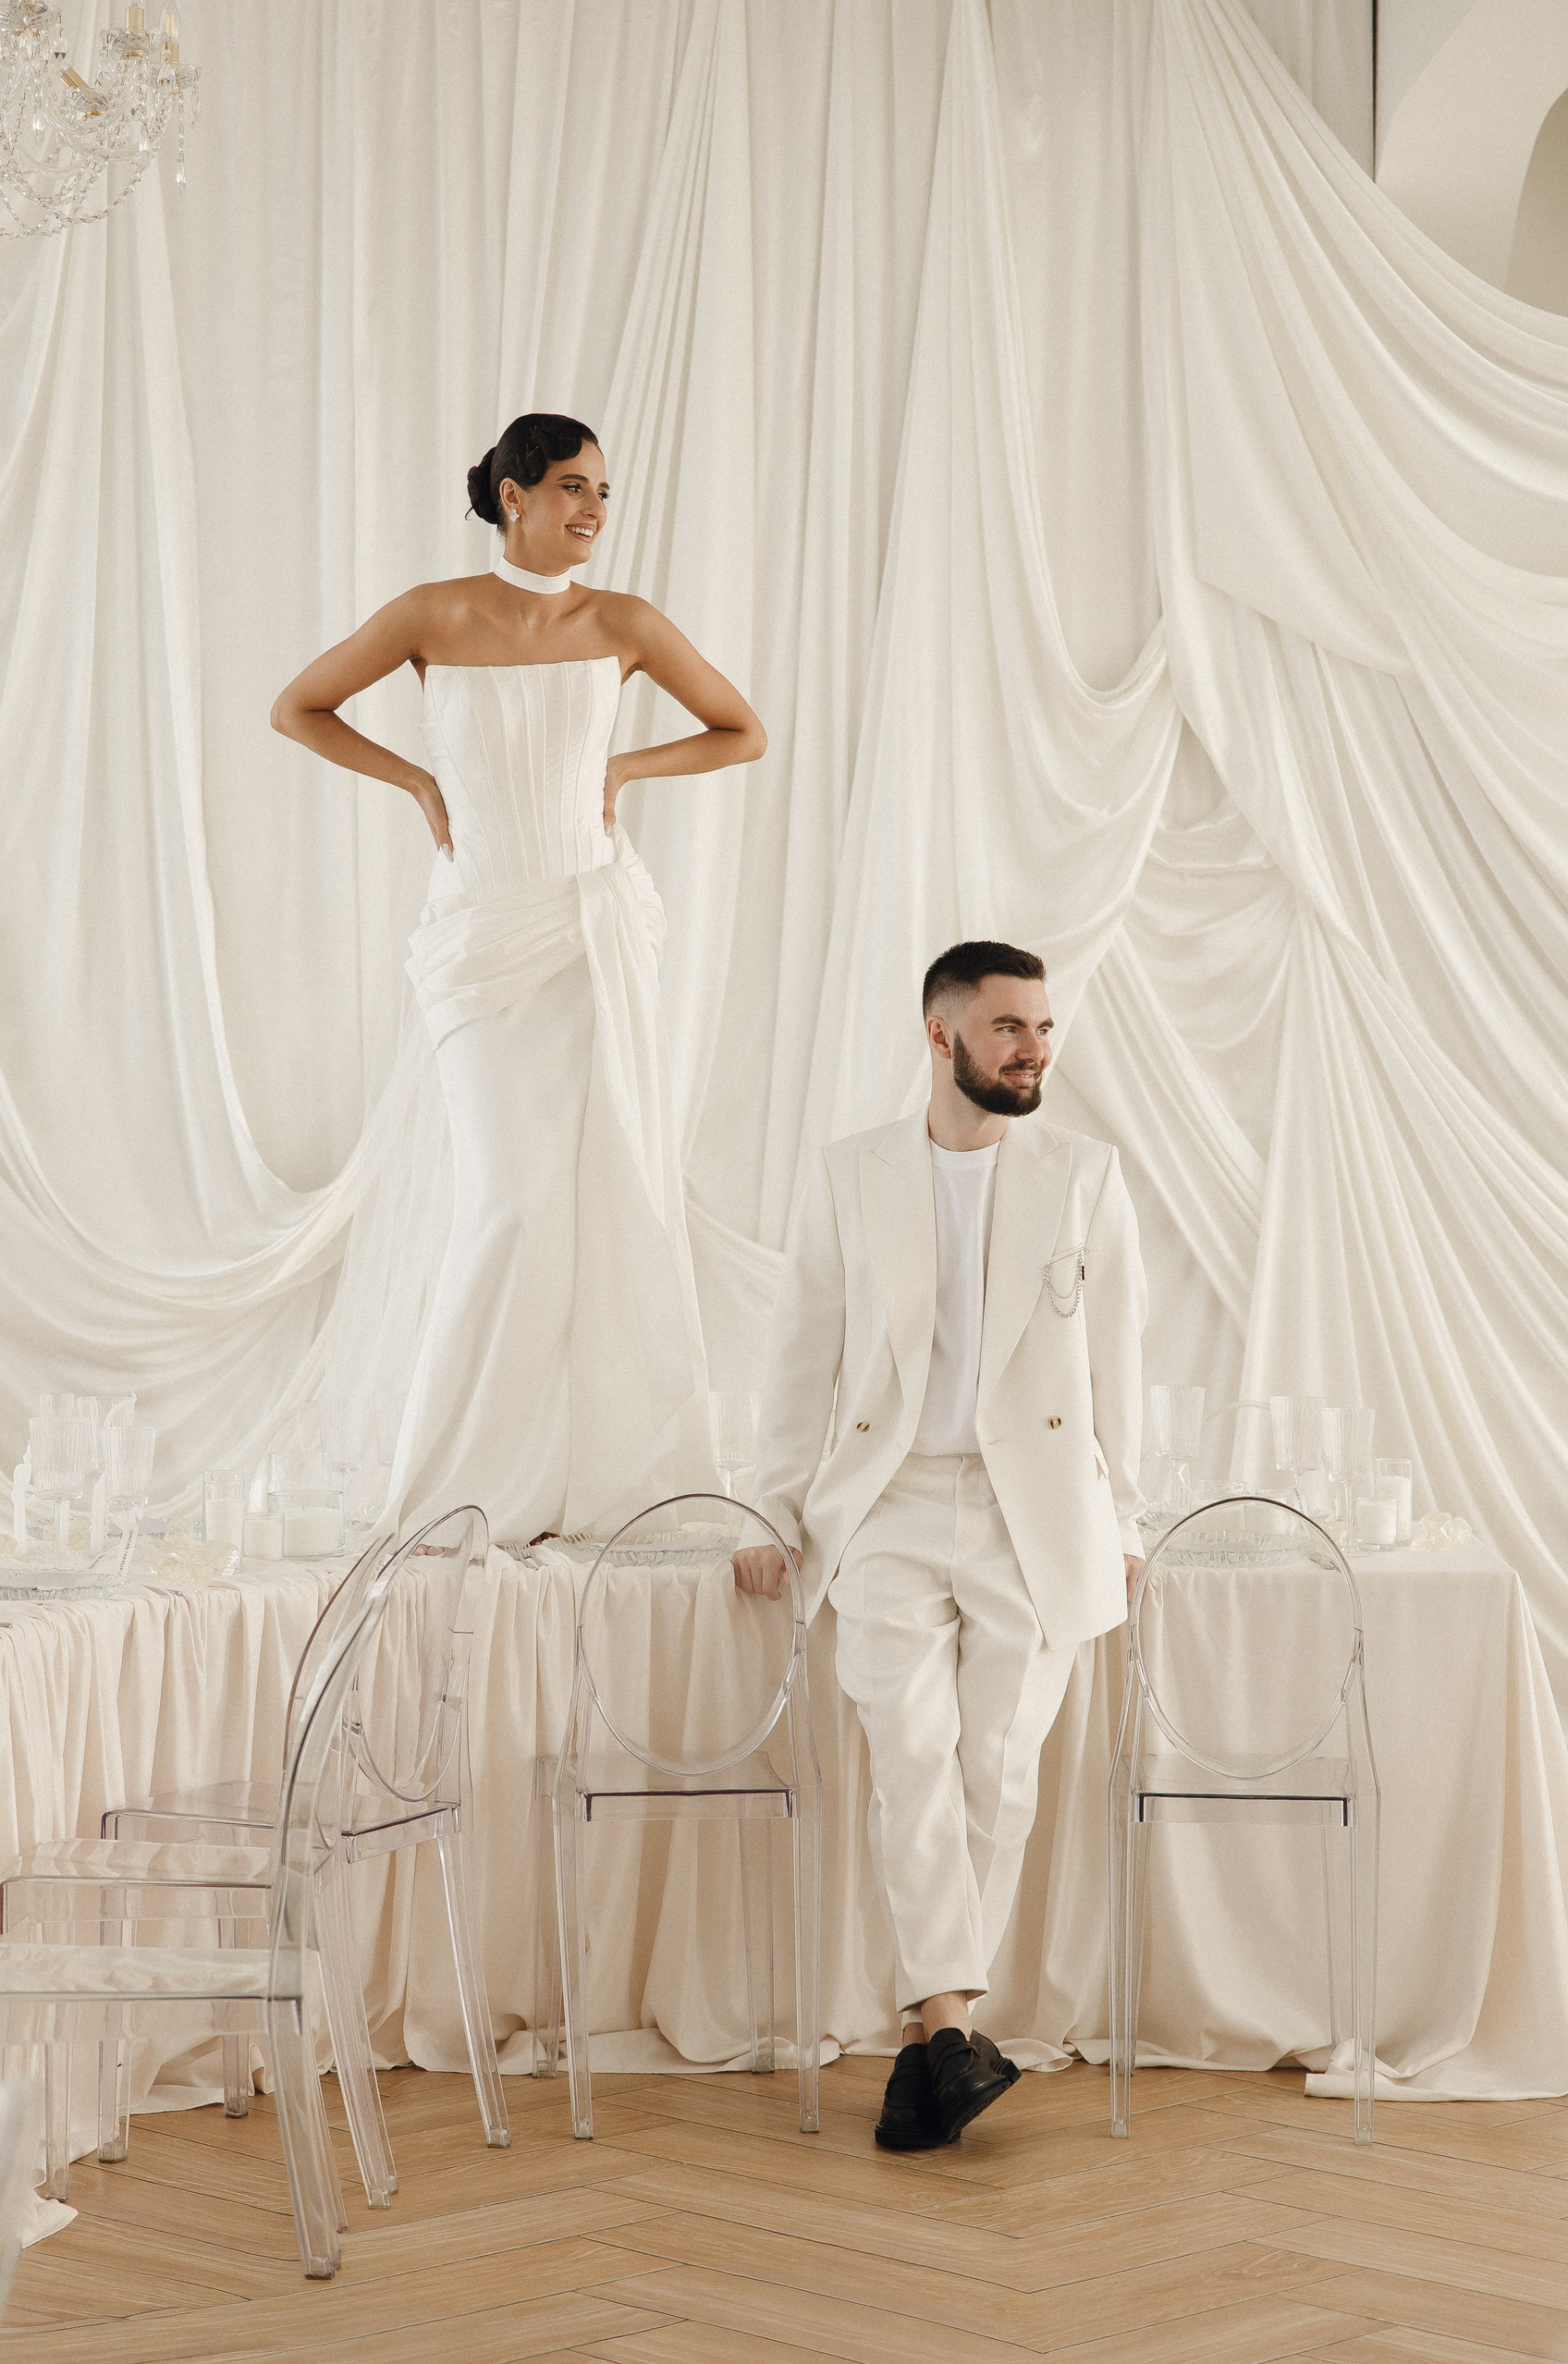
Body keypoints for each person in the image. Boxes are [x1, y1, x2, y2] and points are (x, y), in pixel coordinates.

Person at [271, 413, 765, 1544]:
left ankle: (591, 1485)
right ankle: (460, 1488)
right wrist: (415, 782)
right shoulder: (432, 614)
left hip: (590, 933)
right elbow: (297, 706)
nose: (594, 509)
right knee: (510, 1204)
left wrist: (625, 767)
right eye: (573, 487)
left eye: (603, 492)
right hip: (482, 944)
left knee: (608, 1198)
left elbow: (742, 731)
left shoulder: (623, 622)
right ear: (513, 495)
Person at [732, 941, 1145, 2150]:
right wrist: (773, 1511)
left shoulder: (1085, 1175)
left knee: (998, 1770)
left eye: (1044, 1028)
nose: (1034, 1050)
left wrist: (1123, 1521)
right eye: (1010, 1026)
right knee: (910, 1750)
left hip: (1038, 1511)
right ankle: (956, 2026)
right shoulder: (851, 1174)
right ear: (941, 1033)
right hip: (889, 1502)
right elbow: (799, 1359)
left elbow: (1121, 1363)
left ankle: (930, 2045)